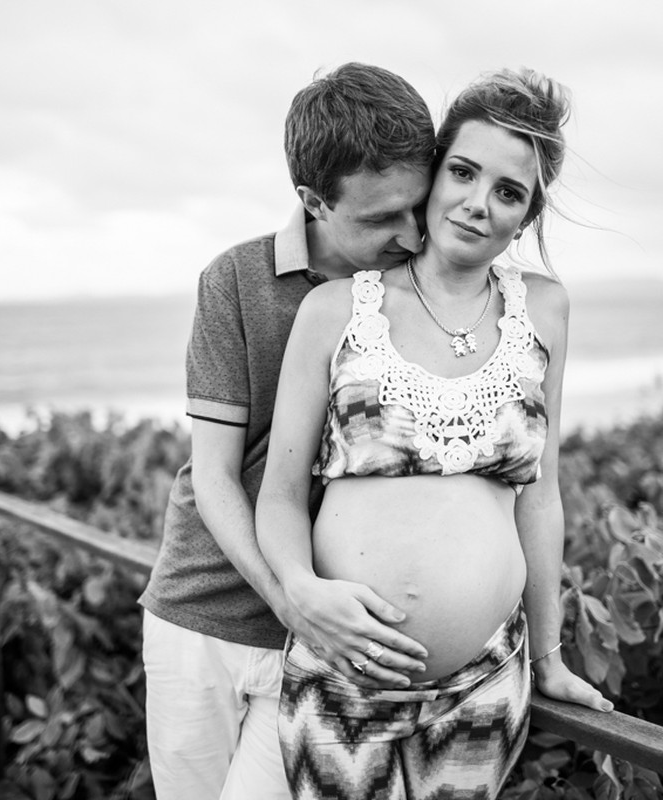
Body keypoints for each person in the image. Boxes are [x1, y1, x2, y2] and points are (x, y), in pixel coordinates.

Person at [255, 67, 614, 800]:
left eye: (509, 192)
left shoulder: (545, 310)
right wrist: (298, 590)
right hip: (342, 681)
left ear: (528, 214)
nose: (479, 204)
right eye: (464, 172)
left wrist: (549, 657)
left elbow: (540, 496)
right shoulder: (333, 311)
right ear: (434, 173)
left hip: (485, 685)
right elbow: (282, 496)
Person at [138, 63, 438, 800]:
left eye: (417, 209)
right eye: (378, 219)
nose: (408, 236)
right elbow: (212, 474)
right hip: (202, 612)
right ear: (312, 201)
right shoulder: (236, 281)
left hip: (329, 640)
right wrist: (289, 598)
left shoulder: (429, 288)